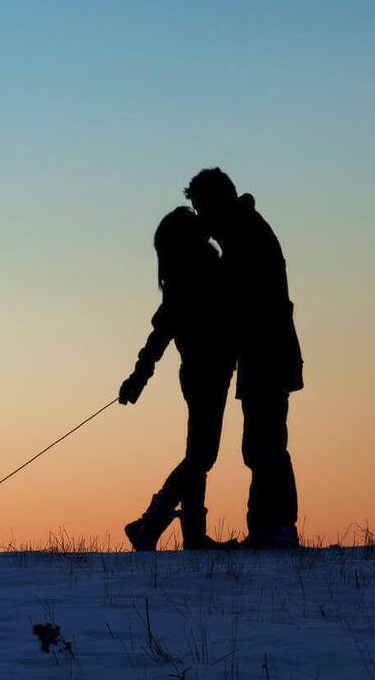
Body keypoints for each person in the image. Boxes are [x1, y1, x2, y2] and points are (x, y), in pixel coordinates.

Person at [185, 168, 303, 549]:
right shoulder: (242, 231)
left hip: (267, 354)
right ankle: (266, 529)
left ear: (216, 203)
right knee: (260, 443)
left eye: (202, 208)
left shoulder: (244, 236)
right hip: (262, 355)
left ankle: (277, 528)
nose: (201, 218)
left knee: (265, 443)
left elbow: (239, 304)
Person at [119, 207, 236, 550]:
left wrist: (138, 378)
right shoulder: (195, 276)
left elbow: (159, 336)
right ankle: (150, 523)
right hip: (204, 374)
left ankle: (190, 535)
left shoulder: (198, 272)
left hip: (209, 372)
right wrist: (138, 378)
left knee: (199, 455)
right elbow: (160, 334)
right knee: (201, 457)